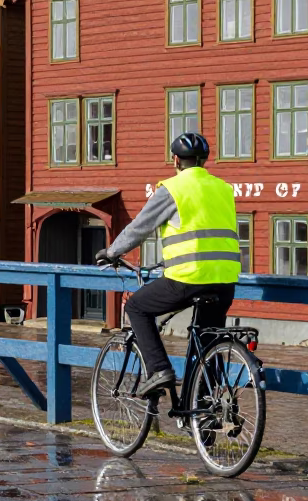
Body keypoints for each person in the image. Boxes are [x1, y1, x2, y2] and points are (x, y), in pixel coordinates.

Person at [95, 132, 242, 398]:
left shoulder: (173, 189)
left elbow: (140, 227)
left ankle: (159, 369)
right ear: (204, 161)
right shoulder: (223, 188)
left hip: (188, 278)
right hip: (225, 280)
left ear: (175, 160)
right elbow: (205, 232)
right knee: (207, 344)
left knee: (136, 307)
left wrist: (112, 251)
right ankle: (204, 421)